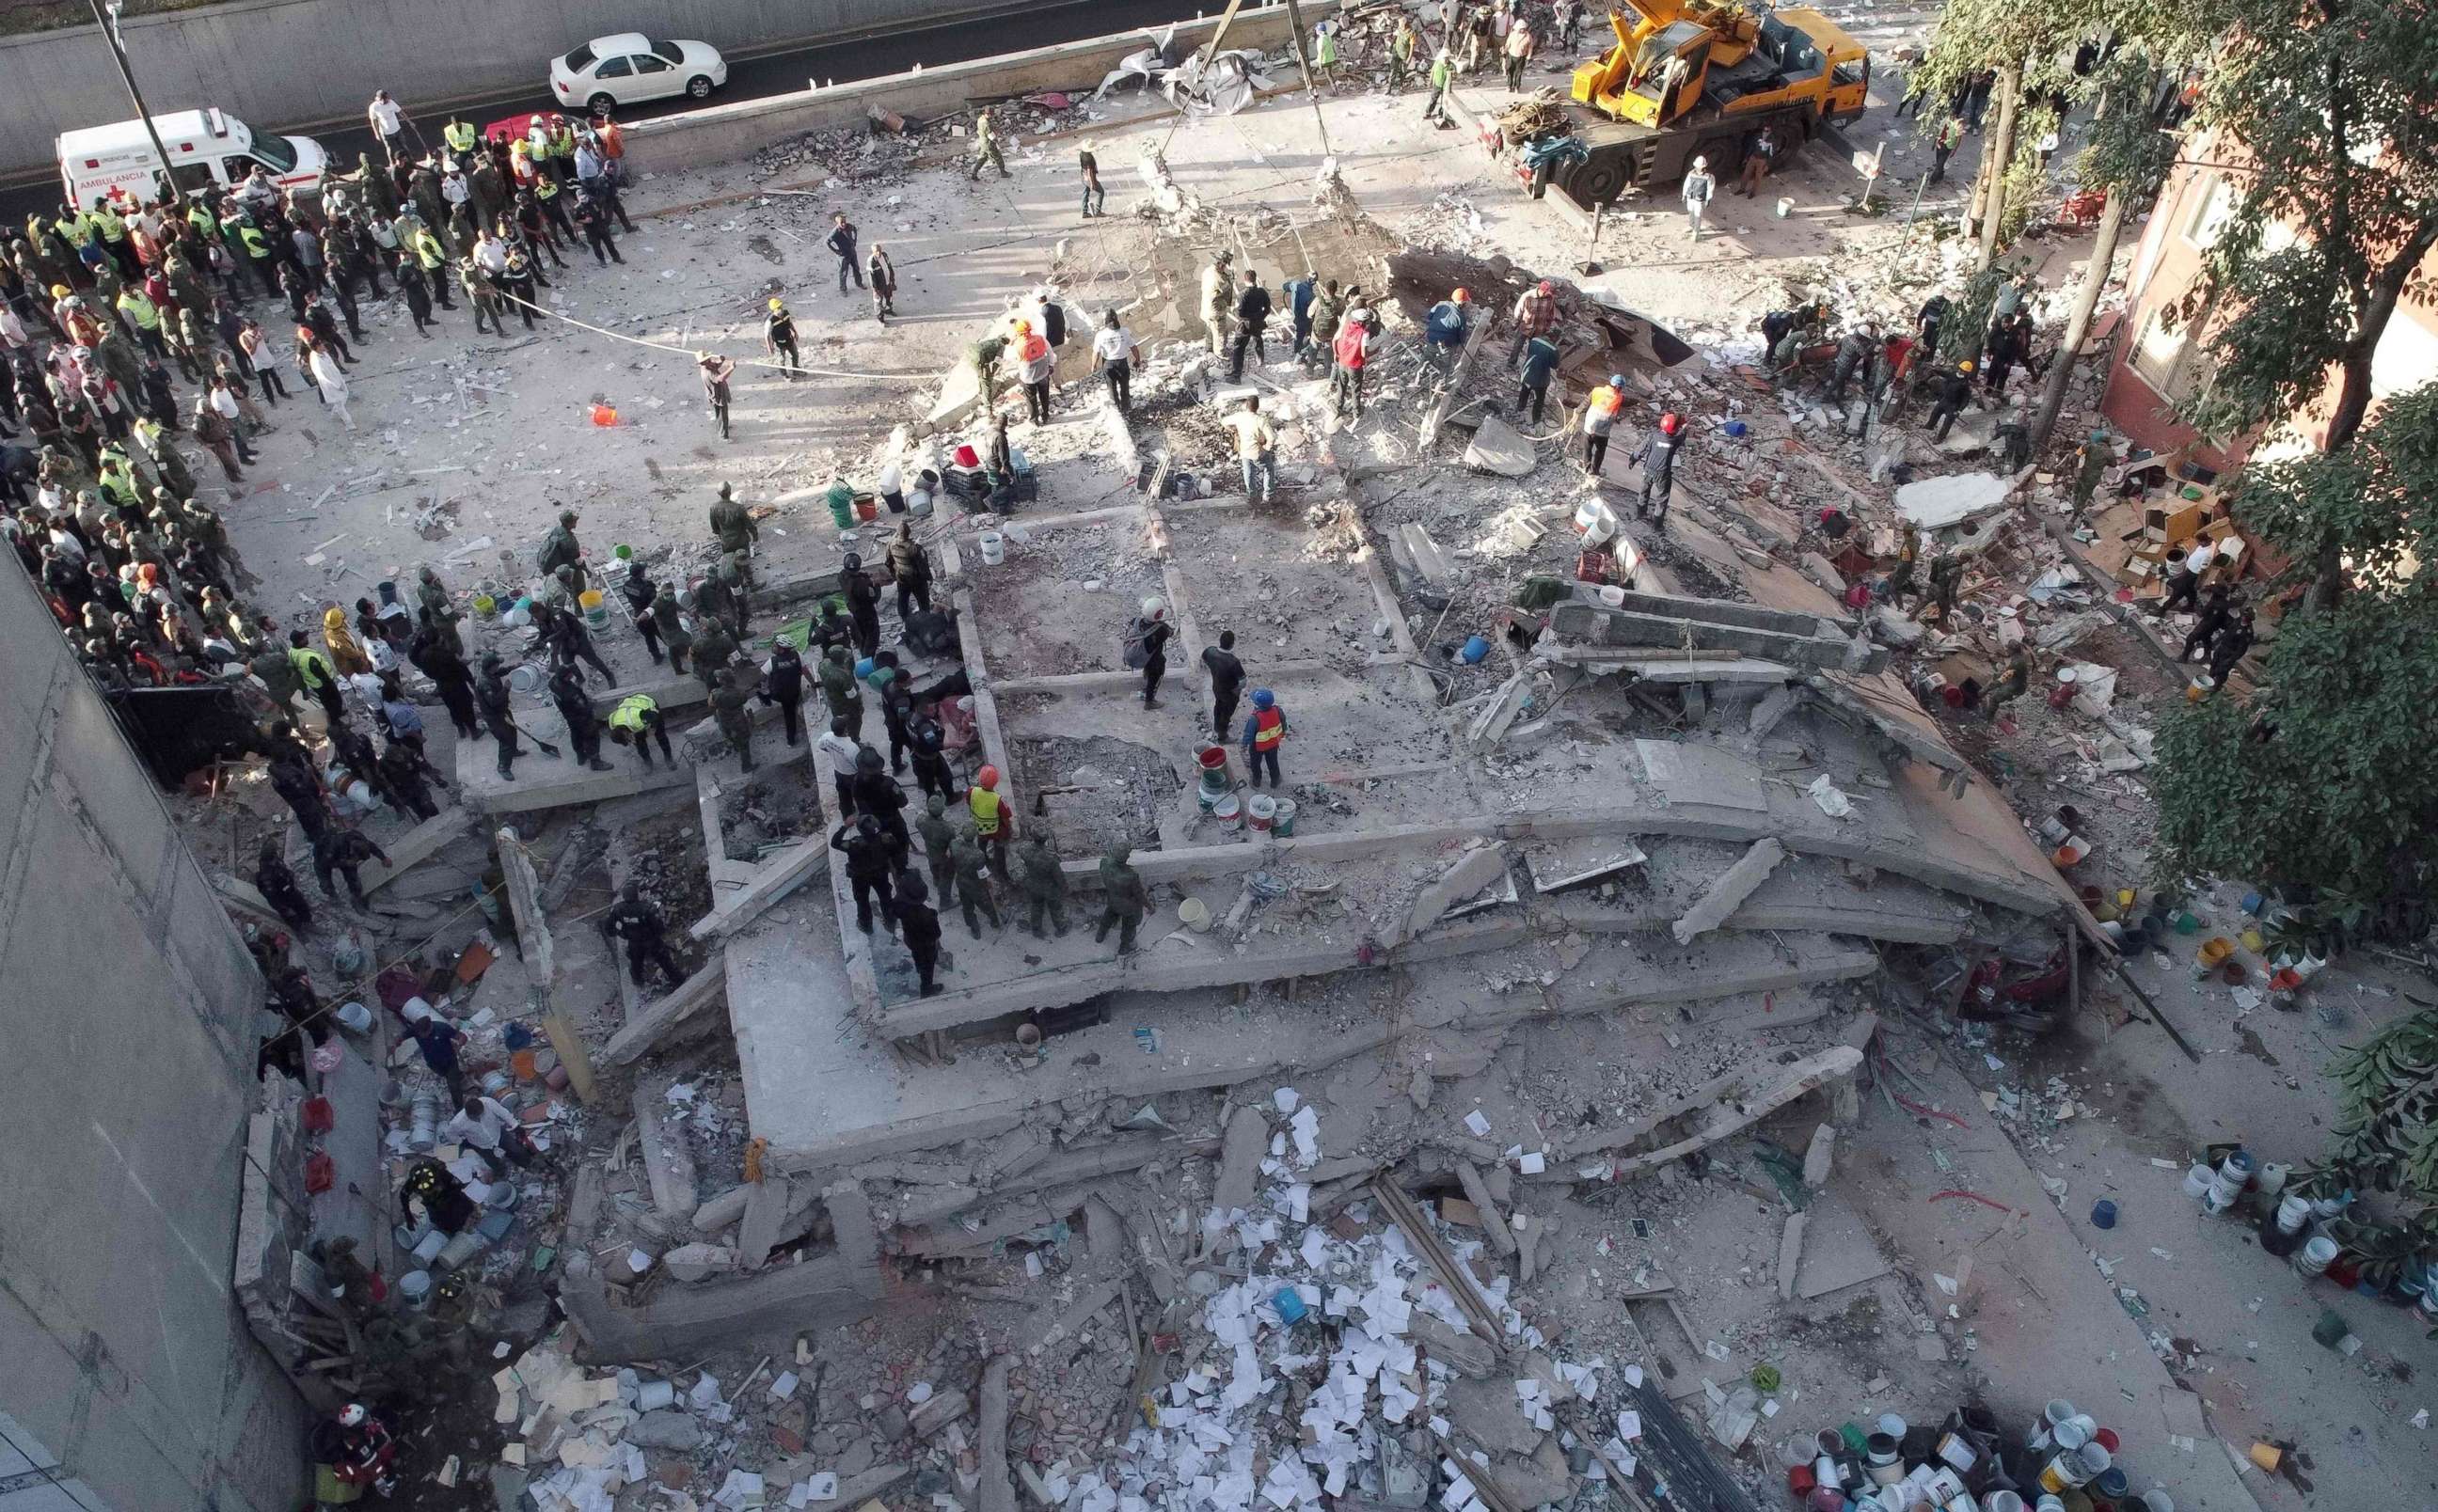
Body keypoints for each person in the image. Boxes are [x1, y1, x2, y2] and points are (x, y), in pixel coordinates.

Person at [475, 652, 558, 779]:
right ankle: (503, 767)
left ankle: (513, 751)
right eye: (496, 665)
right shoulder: (484, 683)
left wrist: (514, 667)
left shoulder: (490, 673)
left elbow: (500, 671)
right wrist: (506, 689)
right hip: (494, 716)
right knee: (505, 740)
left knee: (512, 731)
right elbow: (493, 702)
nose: (498, 667)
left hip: (502, 710)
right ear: (491, 666)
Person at [600, 880, 686, 988]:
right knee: (664, 961)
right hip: (651, 941)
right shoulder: (646, 908)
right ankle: (678, 979)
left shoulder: (618, 909)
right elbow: (658, 927)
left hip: (634, 942)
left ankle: (638, 981)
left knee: (636, 963)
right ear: (636, 895)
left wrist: (621, 933)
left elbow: (608, 928)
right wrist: (659, 933)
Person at [833, 814, 898, 934]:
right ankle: (890, 922)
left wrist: (845, 826)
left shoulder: (854, 844)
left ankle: (866, 926)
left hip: (860, 877)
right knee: (885, 898)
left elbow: (835, 843)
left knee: (862, 901)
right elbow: (894, 849)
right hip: (880, 874)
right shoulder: (886, 839)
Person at [447, 1095, 538, 1179]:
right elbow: (450, 1134)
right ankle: (502, 1172)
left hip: (498, 1134)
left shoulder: (488, 1102)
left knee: (517, 1149)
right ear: (468, 1114)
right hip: (481, 1145)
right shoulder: (457, 1123)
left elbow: (503, 1113)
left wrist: (516, 1126)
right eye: (475, 1117)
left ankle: (527, 1163)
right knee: (492, 1161)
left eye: (481, 1115)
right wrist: (462, 1142)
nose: (479, 1118)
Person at [549, 664, 614, 771]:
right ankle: (595, 762)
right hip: (581, 717)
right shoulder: (570, 694)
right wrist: (590, 706)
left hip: (569, 717)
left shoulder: (553, 683)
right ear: (566, 676)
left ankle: (581, 756)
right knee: (592, 736)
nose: (572, 675)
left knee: (576, 734)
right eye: (570, 674)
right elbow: (583, 706)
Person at [312, 825, 391, 908]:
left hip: (345, 857)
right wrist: (344, 863)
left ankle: (357, 900)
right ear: (352, 852)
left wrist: (383, 858)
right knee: (326, 884)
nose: (357, 861)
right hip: (322, 857)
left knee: (354, 881)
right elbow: (325, 863)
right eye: (357, 858)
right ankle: (333, 897)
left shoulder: (359, 839)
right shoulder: (333, 846)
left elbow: (372, 847)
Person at [1094, 840, 1148, 954]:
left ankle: (1100, 935)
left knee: (1108, 917)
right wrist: (1149, 906)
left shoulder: (1104, 863)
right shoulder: (1131, 875)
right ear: (1127, 857)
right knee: (1129, 927)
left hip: (1113, 900)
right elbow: (1139, 895)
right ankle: (1124, 947)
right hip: (1128, 907)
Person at [894, 871, 944, 996]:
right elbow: (936, 933)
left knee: (917, 955)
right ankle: (926, 989)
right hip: (925, 944)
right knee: (928, 966)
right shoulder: (925, 915)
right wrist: (933, 915)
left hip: (910, 939)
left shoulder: (899, 903)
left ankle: (918, 966)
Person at [1630, 412, 1684, 525]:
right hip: (1662, 473)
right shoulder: (1675, 441)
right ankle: (1657, 524)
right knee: (1662, 498)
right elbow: (1682, 433)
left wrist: (1633, 459)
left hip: (1648, 469)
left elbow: (1641, 450)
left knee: (1644, 492)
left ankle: (1641, 514)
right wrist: (1683, 425)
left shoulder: (1652, 436)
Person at [1015, 833, 1070, 939]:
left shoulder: (1025, 850)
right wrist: (1065, 888)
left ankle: (1036, 930)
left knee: (1036, 907)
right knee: (1055, 908)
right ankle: (1061, 928)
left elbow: (1018, 855)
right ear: (1045, 839)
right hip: (1049, 888)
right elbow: (1058, 876)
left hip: (1032, 884)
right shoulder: (1051, 857)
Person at [404, 1011, 467, 1104]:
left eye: (423, 1033)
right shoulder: (416, 1030)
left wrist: (459, 1044)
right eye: (420, 1033)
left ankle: (459, 1107)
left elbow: (462, 1037)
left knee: (453, 1085)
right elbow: (402, 1036)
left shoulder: (442, 1028)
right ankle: (459, 1075)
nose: (421, 1036)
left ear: (430, 1028)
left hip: (449, 1061)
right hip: (432, 1062)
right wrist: (395, 1043)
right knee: (444, 1074)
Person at [949, 830, 1002, 938]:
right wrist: (987, 883)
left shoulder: (955, 846)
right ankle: (995, 920)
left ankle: (974, 928)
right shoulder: (978, 855)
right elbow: (982, 874)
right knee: (985, 903)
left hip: (961, 881)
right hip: (975, 885)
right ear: (974, 837)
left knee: (967, 907)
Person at [255, 839, 315, 932]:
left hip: (290, 891)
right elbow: (272, 898)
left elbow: (282, 869)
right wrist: (284, 909)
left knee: (303, 906)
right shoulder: (266, 877)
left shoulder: (276, 861)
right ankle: (299, 932)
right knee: (292, 918)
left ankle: (308, 923)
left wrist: (289, 875)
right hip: (282, 899)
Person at [1225, 396, 1275, 504]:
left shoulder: (1239, 417)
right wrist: (1267, 448)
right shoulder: (1260, 420)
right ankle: (1268, 495)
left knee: (1248, 473)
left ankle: (1252, 495)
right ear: (1257, 407)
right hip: (1258, 453)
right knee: (1268, 470)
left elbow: (1224, 421)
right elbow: (1272, 437)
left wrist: (1233, 430)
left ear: (1246, 406)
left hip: (1244, 452)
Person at [968, 764, 1013, 882]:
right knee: (999, 848)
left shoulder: (972, 791)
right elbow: (1005, 818)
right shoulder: (998, 799)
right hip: (995, 830)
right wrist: (1009, 829)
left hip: (980, 827)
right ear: (996, 782)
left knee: (981, 845)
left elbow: (969, 802)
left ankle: (983, 862)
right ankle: (1001, 872)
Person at [607, 692, 673, 771]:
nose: (629, 741)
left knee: (660, 735)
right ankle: (648, 763)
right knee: (639, 742)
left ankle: (668, 758)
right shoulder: (612, 722)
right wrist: (634, 738)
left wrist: (653, 728)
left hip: (647, 705)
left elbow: (655, 716)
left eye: (627, 739)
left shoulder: (637, 719)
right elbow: (631, 737)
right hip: (630, 706)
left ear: (625, 733)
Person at [1127, 596, 1173, 709]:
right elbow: (1169, 633)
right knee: (1156, 675)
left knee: (1149, 669)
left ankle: (1146, 674)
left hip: (1142, 655)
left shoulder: (1135, 621)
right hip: (1154, 659)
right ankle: (1150, 701)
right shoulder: (1161, 629)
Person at [1229, 269, 1272, 382]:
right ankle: (1260, 361)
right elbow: (1267, 309)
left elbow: (1239, 313)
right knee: (1258, 340)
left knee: (1239, 348)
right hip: (1257, 322)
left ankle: (1236, 375)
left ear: (1245, 280)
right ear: (1255, 279)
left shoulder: (1242, 295)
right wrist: (1260, 317)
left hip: (1245, 324)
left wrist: (1233, 310)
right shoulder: (1262, 292)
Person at [1331, 307, 1373, 419]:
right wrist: (1374, 353)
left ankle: (1338, 407)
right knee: (1356, 389)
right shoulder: (1364, 333)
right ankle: (1356, 412)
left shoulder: (1346, 326)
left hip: (1342, 362)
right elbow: (1364, 354)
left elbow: (1334, 340)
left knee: (1341, 386)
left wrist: (1336, 353)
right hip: (1354, 366)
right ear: (1364, 321)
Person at [1203, 628, 1245, 742]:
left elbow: (1204, 658)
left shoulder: (1210, 651)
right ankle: (1222, 736)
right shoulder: (1233, 662)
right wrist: (1236, 690)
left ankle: (1217, 726)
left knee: (1218, 706)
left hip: (1217, 687)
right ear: (1232, 645)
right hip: (1229, 692)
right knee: (1226, 713)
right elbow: (1243, 681)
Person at [886, 521, 933, 622]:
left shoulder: (890, 544)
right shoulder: (914, 548)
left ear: (897, 533)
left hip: (901, 577)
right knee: (923, 600)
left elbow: (888, 562)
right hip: (916, 580)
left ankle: (905, 617)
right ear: (909, 533)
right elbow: (923, 567)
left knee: (902, 598)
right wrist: (929, 578)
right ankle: (925, 619)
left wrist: (894, 575)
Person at [1242, 687, 1288, 787]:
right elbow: (1283, 722)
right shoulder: (1278, 710)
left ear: (1257, 704)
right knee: (1273, 762)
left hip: (1257, 746)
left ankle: (1257, 780)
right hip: (1273, 743)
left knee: (1255, 763)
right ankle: (1275, 780)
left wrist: (1244, 745)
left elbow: (1248, 734)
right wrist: (1283, 732)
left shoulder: (1255, 718)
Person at [1011, 319, 1054, 424]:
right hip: (1043, 372)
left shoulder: (1018, 345)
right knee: (1044, 395)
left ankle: (1034, 420)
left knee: (1031, 398)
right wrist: (1051, 365)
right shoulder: (1040, 338)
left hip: (1028, 377)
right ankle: (1045, 415)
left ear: (1018, 332)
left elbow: (1015, 360)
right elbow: (1050, 352)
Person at [763, 640, 806, 746]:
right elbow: (806, 671)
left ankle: (791, 741)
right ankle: (791, 739)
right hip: (795, 691)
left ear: (781, 649)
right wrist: (814, 683)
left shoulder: (772, 661)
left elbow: (762, 676)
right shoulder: (798, 655)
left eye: (774, 646)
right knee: (790, 713)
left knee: (789, 716)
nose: (772, 647)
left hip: (780, 695)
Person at [1508, 279, 1559, 367]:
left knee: (1533, 350)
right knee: (1518, 345)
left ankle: (1527, 368)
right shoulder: (1528, 296)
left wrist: (1547, 327)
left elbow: (1551, 314)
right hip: (1526, 326)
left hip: (1539, 329)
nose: (1548, 294)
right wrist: (1515, 324)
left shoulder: (1550, 299)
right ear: (1541, 290)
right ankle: (1511, 363)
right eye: (1547, 293)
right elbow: (1518, 311)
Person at [1581, 374, 1625, 474]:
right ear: (1619, 387)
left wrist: (1577, 411)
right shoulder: (1619, 398)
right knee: (1600, 451)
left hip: (1589, 426)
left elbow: (1585, 403)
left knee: (1587, 448)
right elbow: (1623, 406)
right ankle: (1595, 471)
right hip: (1602, 431)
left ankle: (1586, 468)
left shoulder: (1597, 390)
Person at [712, 672, 755, 772]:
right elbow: (746, 705)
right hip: (739, 720)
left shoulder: (715, 693)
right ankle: (746, 766)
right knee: (744, 743)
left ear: (722, 681)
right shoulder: (740, 692)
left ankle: (735, 745)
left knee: (729, 736)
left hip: (724, 720)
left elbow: (712, 705)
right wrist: (752, 720)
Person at [1093, 309, 1135, 412]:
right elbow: (1134, 347)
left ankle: (1117, 410)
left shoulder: (1100, 335)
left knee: (1112, 388)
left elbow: (1096, 352)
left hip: (1108, 364)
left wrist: (1093, 365)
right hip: (1122, 363)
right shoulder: (1125, 331)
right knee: (1124, 388)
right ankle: (1126, 410)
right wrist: (1137, 360)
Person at [1516, 330, 1559, 424]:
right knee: (1539, 400)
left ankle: (1520, 408)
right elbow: (1555, 366)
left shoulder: (1534, 340)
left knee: (1524, 391)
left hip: (1527, 372)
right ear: (1555, 338)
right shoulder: (1554, 349)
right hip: (1541, 379)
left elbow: (1529, 353)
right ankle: (1536, 418)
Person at [1423, 287, 1470, 373]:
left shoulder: (1440, 304)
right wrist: (1459, 344)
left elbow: (1429, 317)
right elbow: (1462, 336)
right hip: (1446, 344)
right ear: (1463, 303)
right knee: (1445, 366)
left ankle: (1415, 380)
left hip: (1431, 339)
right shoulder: (1461, 317)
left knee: (1426, 360)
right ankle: (1441, 385)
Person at [1199, 249, 1235, 358]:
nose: (1225, 268)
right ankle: (1221, 353)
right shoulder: (1218, 278)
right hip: (1216, 310)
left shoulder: (1207, 271)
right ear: (1221, 263)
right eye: (1225, 265)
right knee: (1220, 332)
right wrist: (1231, 278)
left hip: (1206, 308)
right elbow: (1226, 288)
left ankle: (1209, 349)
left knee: (1210, 329)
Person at [1928, 359, 1976, 442]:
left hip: (1954, 405)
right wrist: (1934, 369)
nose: (1961, 371)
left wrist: (1960, 410)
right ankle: (1929, 427)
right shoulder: (1953, 375)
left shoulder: (1965, 384)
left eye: (1963, 371)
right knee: (1935, 413)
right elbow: (1944, 373)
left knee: (1947, 422)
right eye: (1960, 369)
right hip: (1945, 400)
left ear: (1967, 373)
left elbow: (1966, 399)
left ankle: (1940, 438)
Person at [2207, 609, 2255, 687]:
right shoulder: (2237, 621)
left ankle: (2217, 686)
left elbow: (2241, 650)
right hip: (2222, 646)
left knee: (2222, 670)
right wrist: (2217, 641)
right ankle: (2209, 680)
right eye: (2243, 615)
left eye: (2245, 616)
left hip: (2230, 652)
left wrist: (2231, 659)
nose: (2243, 617)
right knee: (2214, 663)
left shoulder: (2247, 632)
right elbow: (2227, 631)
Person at [1984, 647, 2031, 724]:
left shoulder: (2016, 663)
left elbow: (2003, 678)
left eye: (2009, 649)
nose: (2007, 650)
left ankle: (1989, 719)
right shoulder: (2019, 658)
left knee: (1994, 699)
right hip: (2016, 682)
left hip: (2016, 686)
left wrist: (1989, 687)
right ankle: (2006, 697)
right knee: (1996, 683)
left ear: (2012, 650)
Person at [699, 351, 736, 440]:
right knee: (723, 414)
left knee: (719, 413)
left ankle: (722, 427)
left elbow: (716, 365)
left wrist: (721, 360)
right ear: (704, 362)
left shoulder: (706, 366)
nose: (710, 360)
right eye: (708, 359)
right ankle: (724, 436)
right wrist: (731, 368)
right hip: (718, 395)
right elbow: (721, 378)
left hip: (714, 394)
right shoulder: (708, 372)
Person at [826, 212, 863, 294]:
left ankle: (859, 283)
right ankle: (843, 289)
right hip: (843, 255)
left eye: (844, 222)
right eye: (841, 222)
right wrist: (836, 251)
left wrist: (854, 240)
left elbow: (855, 229)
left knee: (856, 268)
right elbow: (827, 242)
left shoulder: (849, 226)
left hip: (852, 252)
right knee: (843, 272)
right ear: (837, 223)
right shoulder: (835, 232)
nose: (843, 224)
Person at [1735, 125, 1778, 197]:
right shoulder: (1757, 137)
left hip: (1762, 160)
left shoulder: (1772, 140)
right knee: (1746, 173)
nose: (1765, 133)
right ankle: (1742, 189)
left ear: (1770, 132)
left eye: (1767, 131)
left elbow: (1771, 154)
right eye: (1764, 131)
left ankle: (1753, 193)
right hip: (1753, 157)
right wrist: (1747, 157)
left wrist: (1768, 165)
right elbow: (1752, 147)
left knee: (1758, 177)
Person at [1681, 156, 1716, 240]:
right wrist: (1684, 195)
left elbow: (1710, 188)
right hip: (1691, 197)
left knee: (1698, 215)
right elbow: (1687, 184)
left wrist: (1708, 199)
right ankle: (1691, 225)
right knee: (1691, 212)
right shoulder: (1691, 174)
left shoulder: (1709, 177)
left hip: (1700, 200)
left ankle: (1696, 232)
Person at [765, 299, 800, 380]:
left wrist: (795, 332)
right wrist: (769, 347)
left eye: (780, 307)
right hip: (779, 344)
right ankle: (784, 375)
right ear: (774, 310)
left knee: (795, 355)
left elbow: (790, 323)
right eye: (777, 308)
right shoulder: (770, 321)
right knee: (781, 360)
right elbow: (767, 335)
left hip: (789, 340)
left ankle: (796, 370)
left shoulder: (786, 314)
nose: (780, 309)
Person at [970, 107, 1009, 180]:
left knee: (983, 158)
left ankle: (974, 173)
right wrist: (997, 140)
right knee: (998, 156)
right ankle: (1003, 172)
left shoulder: (980, 119)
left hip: (982, 141)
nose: (992, 116)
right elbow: (990, 135)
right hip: (988, 143)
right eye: (991, 114)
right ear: (987, 114)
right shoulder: (985, 123)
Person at [369, 91, 406, 163]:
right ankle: (392, 163)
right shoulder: (373, 107)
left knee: (403, 146)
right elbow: (374, 121)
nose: (385, 101)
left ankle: (409, 160)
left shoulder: (391, 102)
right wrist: (377, 134)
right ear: (378, 99)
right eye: (383, 100)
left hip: (397, 129)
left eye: (386, 99)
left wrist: (409, 122)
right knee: (390, 149)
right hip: (386, 133)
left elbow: (400, 112)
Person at [1502, 13, 1534, 90]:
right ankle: (1509, 86)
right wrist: (1504, 51)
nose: (1522, 30)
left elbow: (1530, 47)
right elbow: (1507, 44)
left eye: (1523, 28)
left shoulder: (1528, 36)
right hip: (1511, 56)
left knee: (1518, 73)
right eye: (1521, 28)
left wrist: (1529, 56)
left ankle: (1517, 86)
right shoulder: (1512, 34)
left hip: (1521, 57)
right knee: (1510, 72)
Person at [1929, 117, 1965, 185]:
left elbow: (1958, 139)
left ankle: (1932, 180)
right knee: (1939, 161)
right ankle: (1940, 174)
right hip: (1940, 144)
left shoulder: (1958, 125)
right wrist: (1934, 143)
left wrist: (1954, 150)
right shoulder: (1945, 119)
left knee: (1939, 164)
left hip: (1948, 147)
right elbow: (1939, 132)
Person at [867, 244, 897, 321]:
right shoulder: (871, 261)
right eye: (876, 252)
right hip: (879, 286)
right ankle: (880, 318)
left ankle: (889, 309)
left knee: (889, 297)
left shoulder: (885, 255)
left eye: (880, 251)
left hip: (887, 283)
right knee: (878, 302)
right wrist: (875, 290)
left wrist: (892, 280)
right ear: (873, 252)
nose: (879, 253)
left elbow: (890, 267)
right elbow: (871, 278)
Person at [1079, 147, 1107, 218]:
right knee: (1101, 192)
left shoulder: (1082, 153)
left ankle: (1084, 211)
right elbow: (1089, 171)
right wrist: (1092, 183)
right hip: (1089, 178)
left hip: (1083, 177)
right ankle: (1098, 211)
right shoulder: (1089, 158)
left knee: (1086, 193)